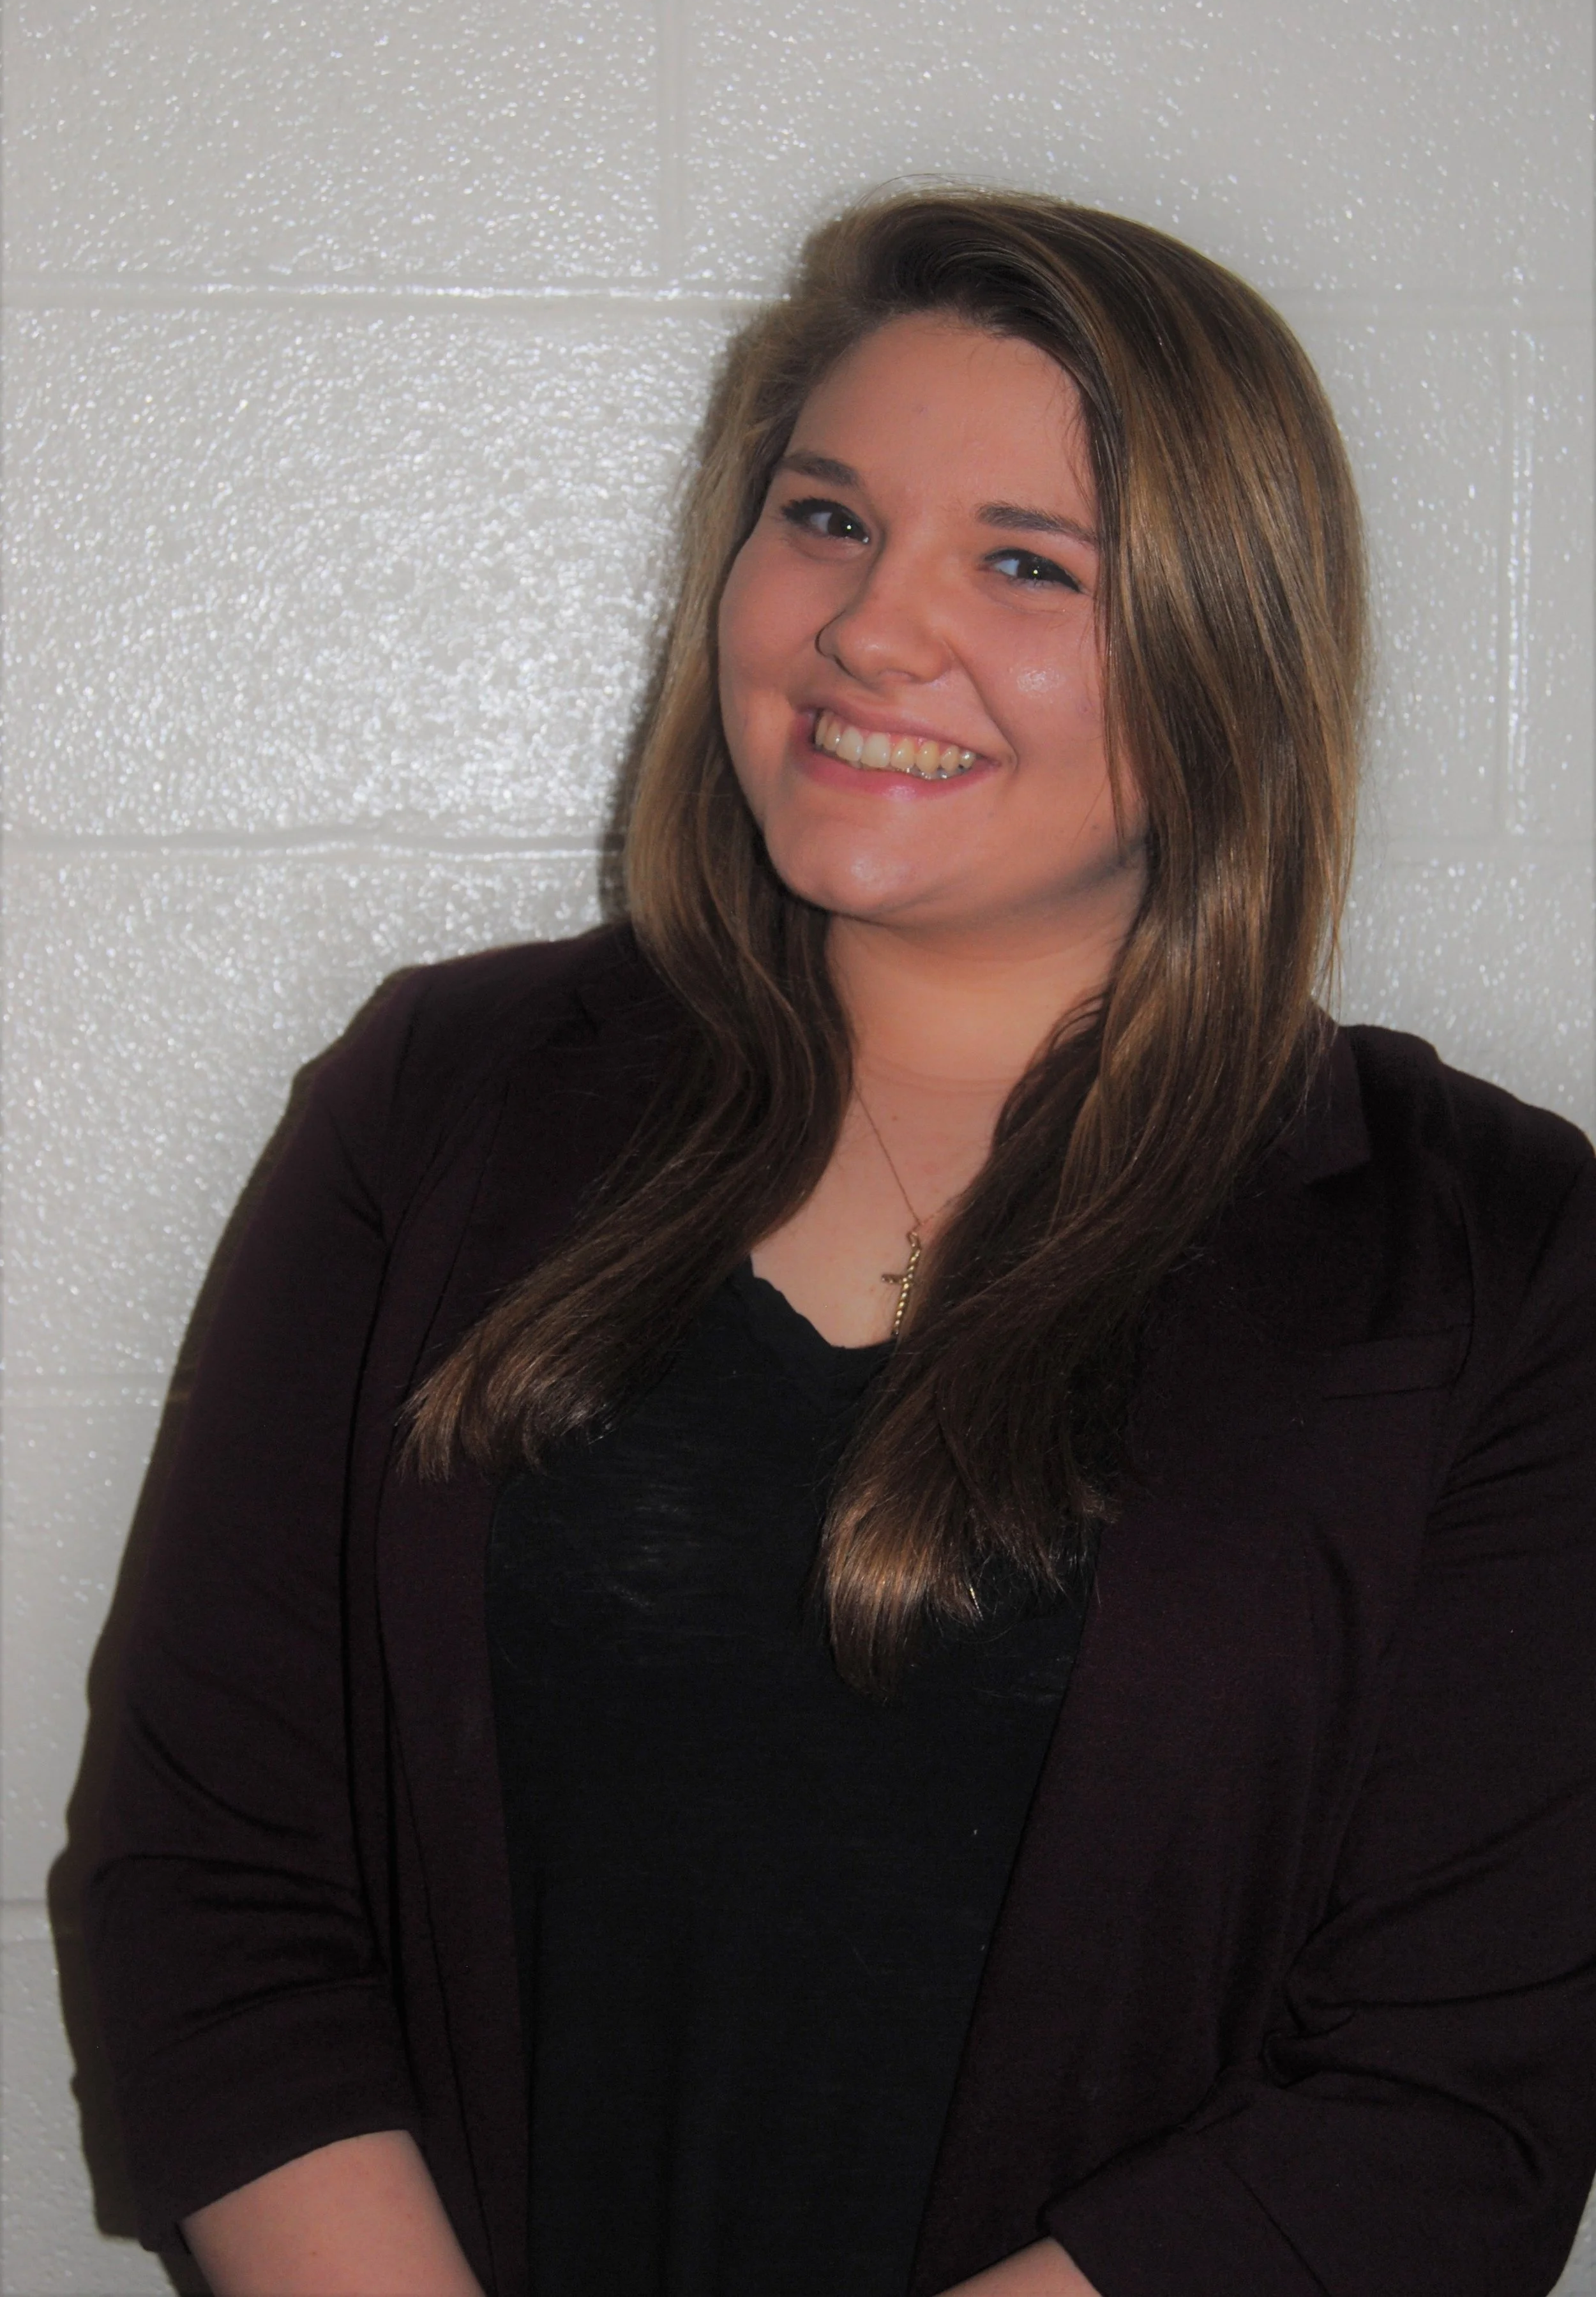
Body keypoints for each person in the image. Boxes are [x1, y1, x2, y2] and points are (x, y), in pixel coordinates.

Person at [85, 188, 1596, 2297]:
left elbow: (1449, 2105)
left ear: (1226, 642)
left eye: (1022, 562)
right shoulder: (441, 1103)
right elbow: (214, 1879)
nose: (872, 629)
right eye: (822, 520)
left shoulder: (1489, 1257)